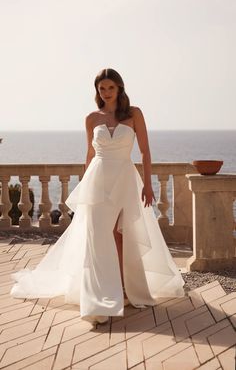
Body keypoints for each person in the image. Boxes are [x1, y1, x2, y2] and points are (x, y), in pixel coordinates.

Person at [10, 68, 186, 325]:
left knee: (123, 236)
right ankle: (100, 298)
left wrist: (148, 186)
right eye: (101, 89)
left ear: (119, 88)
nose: (106, 93)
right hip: (97, 181)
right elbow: (89, 155)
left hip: (125, 179)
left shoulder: (134, 114)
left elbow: (146, 152)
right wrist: (84, 187)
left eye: (110, 88)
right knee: (97, 237)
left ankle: (125, 289)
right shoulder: (91, 118)